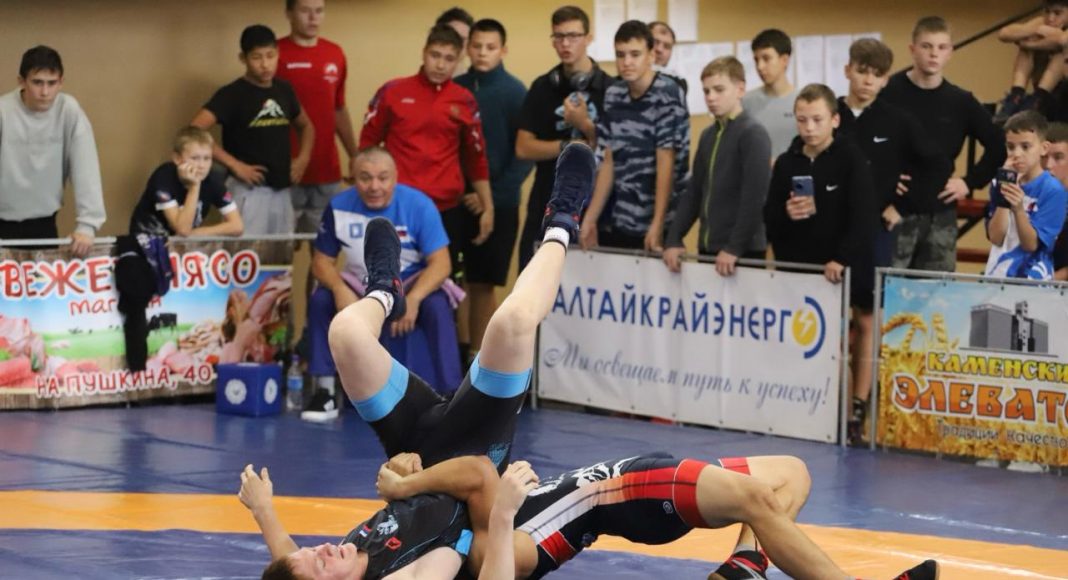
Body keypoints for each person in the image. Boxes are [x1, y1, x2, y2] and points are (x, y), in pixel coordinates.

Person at [241, 142, 596, 579]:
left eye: (313, 552)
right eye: (320, 560)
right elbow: (477, 474)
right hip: (475, 452)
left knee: (345, 333)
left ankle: (383, 291)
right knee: (513, 323)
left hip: (414, 440)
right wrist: (408, 485)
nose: (325, 548)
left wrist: (263, 511)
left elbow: (291, 565)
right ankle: (562, 220)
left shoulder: (333, 564)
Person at [375, 451, 941, 580]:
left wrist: (407, 476)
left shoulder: (478, 537)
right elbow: (477, 471)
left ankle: (743, 567)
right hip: (627, 491)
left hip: (636, 478)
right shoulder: (492, 549)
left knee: (791, 474)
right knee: (760, 499)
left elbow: (471, 476)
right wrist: (404, 484)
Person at [833, 38, 943, 445]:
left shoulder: (897, 121)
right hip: (832, 233)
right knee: (830, 320)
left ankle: (857, 409)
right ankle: (830, 403)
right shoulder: (831, 113)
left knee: (867, 318)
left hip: (875, 232)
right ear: (848, 70)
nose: (867, 80)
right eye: (861, 71)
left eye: (876, 75)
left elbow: (937, 165)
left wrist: (904, 205)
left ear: (884, 80)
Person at [303, 147, 460, 421]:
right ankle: (325, 392)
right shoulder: (338, 206)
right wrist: (339, 289)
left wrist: (414, 299)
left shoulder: (420, 205)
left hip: (409, 282)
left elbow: (441, 263)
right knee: (321, 300)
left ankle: (451, 395)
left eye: (383, 178)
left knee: (437, 306)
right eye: (365, 178)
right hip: (359, 284)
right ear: (353, 178)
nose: (374, 186)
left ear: (395, 177)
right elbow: (321, 262)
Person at [359, 24, 494, 282]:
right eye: (435, 55)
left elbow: (476, 158)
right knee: (387, 283)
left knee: (445, 286)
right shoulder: (392, 92)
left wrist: (488, 207)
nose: (440, 65)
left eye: (449, 59)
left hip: (445, 210)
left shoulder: (464, 100)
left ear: (459, 60)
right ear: (424, 52)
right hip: (395, 208)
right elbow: (367, 148)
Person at [879, 16, 1006, 273]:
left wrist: (969, 182)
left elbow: (999, 145)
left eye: (941, 47)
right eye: (926, 46)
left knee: (937, 292)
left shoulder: (961, 101)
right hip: (892, 207)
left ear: (950, 52)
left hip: (940, 212)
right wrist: (883, 177)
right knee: (885, 289)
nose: (934, 54)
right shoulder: (887, 92)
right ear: (912, 49)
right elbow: (863, 142)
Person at [455, 19, 534, 364]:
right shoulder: (456, 88)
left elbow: (524, 155)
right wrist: (464, 192)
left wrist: (489, 196)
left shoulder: (515, 92)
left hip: (500, 204)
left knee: (483, 283)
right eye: (477, 46)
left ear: (503, 50)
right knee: (452, 283)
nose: (483, 53)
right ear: (468, 48)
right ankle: (456, 357)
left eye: (490, 47)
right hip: (456, 201)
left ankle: (481, 361)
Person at [192, 24, 315, 236]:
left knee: (281, 253)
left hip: (282, 190)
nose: (265, 64)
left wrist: (303, 159)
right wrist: (234, 165)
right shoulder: (231, 94)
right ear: (243, 58)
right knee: (245, 253)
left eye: (270, 56)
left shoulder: (284, 89)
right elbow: (194, 131)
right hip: (247, 191)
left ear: (278, 54)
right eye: (257, 57)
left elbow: (306, 126)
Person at [580, 20, 690, 252]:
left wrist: (657, 224)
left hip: (664, 220)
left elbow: (666, 160)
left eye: (635, 54)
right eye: (620, 55)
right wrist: (590, 218)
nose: (627, 62)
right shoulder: (614, 94)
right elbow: (609, 159)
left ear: (651, 56)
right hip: (623, 218)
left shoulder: (668, 93)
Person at [514, 5, 610, 270]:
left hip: (594, 205)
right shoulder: (543, 86)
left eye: (573, 36)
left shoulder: (610, 88)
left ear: (588, 38)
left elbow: (613, 150)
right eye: (558, 36)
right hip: (546, 199)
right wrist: (570, 146)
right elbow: (523, 148)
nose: (565, 44)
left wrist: (584, 125)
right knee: (532, 276)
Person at [664, 56, 771, 276]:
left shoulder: (753, 134)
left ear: (740, 89)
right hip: (709, 246)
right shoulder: (708, 135)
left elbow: (755, 198)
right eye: (706, 91)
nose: (711, 97)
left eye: (719, 90)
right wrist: (674, 238)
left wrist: (734, 247)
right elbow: (694, 191)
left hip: (742, 252)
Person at [764, 85, 877, 294]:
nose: (809, 128)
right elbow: (769, 217)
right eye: (802, 120)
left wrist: (842, 259)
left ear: (835, 120)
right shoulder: (785, 163)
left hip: (836, 271)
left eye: (817, 120)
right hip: (794, 270)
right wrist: (786, 212)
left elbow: (864, 216)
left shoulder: (852, 159)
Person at [0, 45, 104, 257]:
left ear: (61, 82)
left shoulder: (69, 110)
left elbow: (86, 167)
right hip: (2, 220)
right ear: (21, 81)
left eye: (52, 83)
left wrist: (87, 225)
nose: (45, 92)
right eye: (37, 82)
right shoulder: (3, 111)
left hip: (44, 223)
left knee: (39, 278)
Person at [278, 0, 359, 234]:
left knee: (325, 246)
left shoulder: (335, 53)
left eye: (319, 11)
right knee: (282, 249)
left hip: (326, 171)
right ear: (289, 13)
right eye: (305, 11)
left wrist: (354, 155)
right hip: (286, 172)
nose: (313, 18)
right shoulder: (274, 54)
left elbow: (338, 109)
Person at [985, 111, 1067, 280]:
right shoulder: (999, 182)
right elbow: (996, 238)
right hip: (997, 274)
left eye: (1025, 147)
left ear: (1043, 148)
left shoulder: (1054, 191)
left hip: (1032, 279)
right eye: (1011, 147)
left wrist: (1018, 209)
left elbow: (1031, 245)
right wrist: (1004, 198)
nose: (1016, 154)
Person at [128, 126, 244, 238]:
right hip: (147, 240)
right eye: (195, 158)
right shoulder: (164, 177)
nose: (202, 165)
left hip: (182, 242)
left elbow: (237, 226)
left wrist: (194, 234)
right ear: (177, 159)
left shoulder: (212, 179)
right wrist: (194, 186)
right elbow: (182, 230)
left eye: (207, 158)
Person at [996, 0, 1068, 121]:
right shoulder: (1041, 23)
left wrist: (1029, 44)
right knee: (1026, 48)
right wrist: (1034, 30)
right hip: (1044, 92)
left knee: (1061, 52)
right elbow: (1003, 34)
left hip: (1063, 93)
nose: (1051, 18)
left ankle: (1039, 97)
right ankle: (1016, 95)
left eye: (1057, 13)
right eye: (1047, 12)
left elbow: (1062, 40)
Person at [742, 29, 799, 160]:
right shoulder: (745, 102)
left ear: (784, 60)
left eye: (766, 59)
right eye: (756, 60)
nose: (760, 66)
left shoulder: (802, 101)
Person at [1042, 121, 1068, 280]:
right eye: (1044, 157)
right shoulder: (1026, 197)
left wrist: (1047, 282)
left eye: (1058, 157)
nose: (1049, 165)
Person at [649, 21, 688, 94]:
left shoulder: (678, 83)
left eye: (667, 46)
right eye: (655, 42)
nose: (659, 49)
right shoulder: (629, 77)